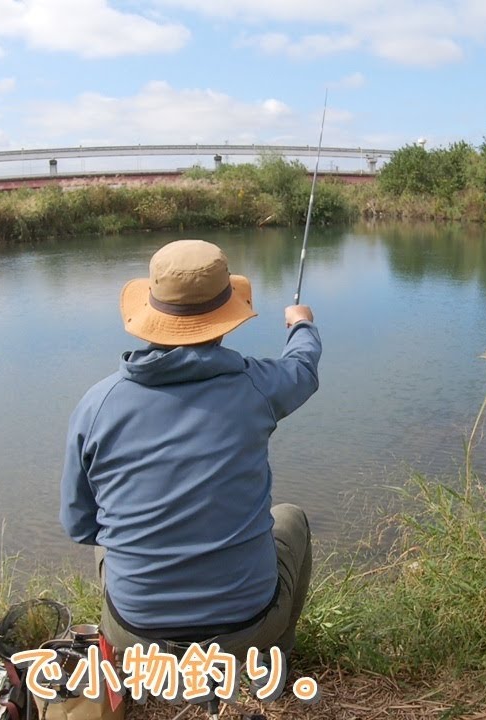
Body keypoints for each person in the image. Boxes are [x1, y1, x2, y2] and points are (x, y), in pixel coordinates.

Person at [59, 238, 321, 663]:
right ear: (224, 319)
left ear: (151, 314)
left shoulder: (97, 405)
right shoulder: (256, 387)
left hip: (135, 634)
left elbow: (79, 524)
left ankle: (135, 666)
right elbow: (303, 369)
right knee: (291, 518)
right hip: (246, 628)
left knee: (106, 539)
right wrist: (301, 324)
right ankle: (275, 655)